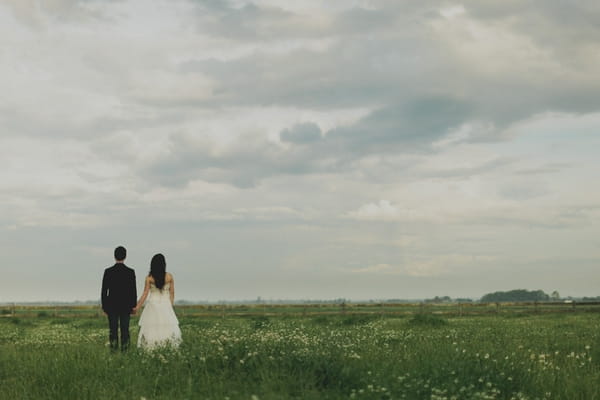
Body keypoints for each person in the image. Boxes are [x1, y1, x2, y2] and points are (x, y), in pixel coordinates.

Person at [134, 253, 181, 349]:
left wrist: (137, 306)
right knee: (167, 326)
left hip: (152, 304)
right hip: (165, 304)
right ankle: (167, 346)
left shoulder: (149, 278)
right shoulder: (169, 277)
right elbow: (172, 293)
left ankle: (151, 347)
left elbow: (145, 294)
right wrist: (170, 305)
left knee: (152, 327)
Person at [101, 246, 137, 351]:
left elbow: (104, 291)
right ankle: (125, 351)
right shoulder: (130, 272)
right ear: (125, 256)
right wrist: (133, 306)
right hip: (126, 306)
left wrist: (104, 307)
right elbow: (133, 291)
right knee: (125, 330)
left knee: (113, 330)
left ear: (114, 256)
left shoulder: (108, 271)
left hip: (111, 306)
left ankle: (113, 351)